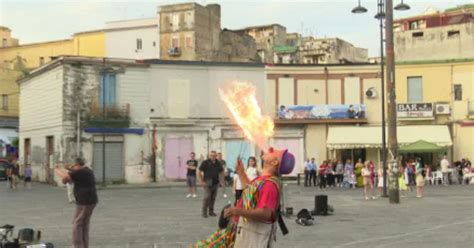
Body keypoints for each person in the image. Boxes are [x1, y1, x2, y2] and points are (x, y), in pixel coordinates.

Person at [222, 148, 295, 248]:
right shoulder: (263, 179)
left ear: (274, 162)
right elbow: (250, 193)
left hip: (252, 238)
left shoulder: (270, 185)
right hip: (243, 232)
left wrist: (238, 211)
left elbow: (266, 213)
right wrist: (241, 172)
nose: (271, 149)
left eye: (274, 152)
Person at [54, 158, 98, 248]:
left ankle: (77, 245)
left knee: (77, 224)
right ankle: (84, 245)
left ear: (77, 165)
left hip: (84, 201)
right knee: (84, 224)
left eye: (73, 166)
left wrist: (56, 169)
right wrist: (68, 168)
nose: (72, 167)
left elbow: (65, 177)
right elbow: (70, 177)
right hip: (89, 200)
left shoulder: (80, 172)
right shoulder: (87, 170)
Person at [198, 151, 224, 218]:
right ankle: (204, 212)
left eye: (214, 155)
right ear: (209, 156)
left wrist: (222, 181)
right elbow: (199, 171)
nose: (213, 157)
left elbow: (221, 172)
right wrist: (201, 181)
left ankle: (211, 211)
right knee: (207, 197)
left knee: (213, 198)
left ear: (216, 156)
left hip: (215, 182)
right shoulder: (205, 162)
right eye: (211, 155)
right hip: (207, 182)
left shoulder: (218, 163)